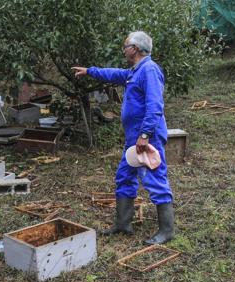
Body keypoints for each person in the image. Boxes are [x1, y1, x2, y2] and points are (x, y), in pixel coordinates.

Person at [72, 31, 174, 245]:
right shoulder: (134, 71)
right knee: (124, 177)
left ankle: (166, 230)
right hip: (133, 141)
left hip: (148, 138)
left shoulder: (149, 70)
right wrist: (90, 71)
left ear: (135, 49)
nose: (123, 49)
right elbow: (113, 74)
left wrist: (145, 134)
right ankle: (123, 223)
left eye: (126, 45)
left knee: (155, 179)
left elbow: (155, 106)